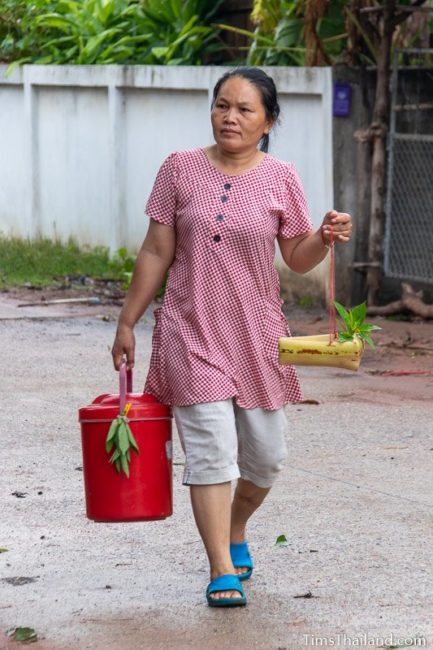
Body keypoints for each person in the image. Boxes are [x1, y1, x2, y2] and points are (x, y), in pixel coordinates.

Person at [111, 66, 352, 608]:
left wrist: (322, 236)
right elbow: (156, 251)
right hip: (189, 329)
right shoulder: (179, 169)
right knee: (212, 453)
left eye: (244, 109)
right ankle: (220, 566)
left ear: (268, 121)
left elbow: (295, 254)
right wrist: (128, 321)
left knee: (266, 457)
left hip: (256, 333)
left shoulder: (280, 177)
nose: (230, 117)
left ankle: (236, 526)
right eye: (222, 105)